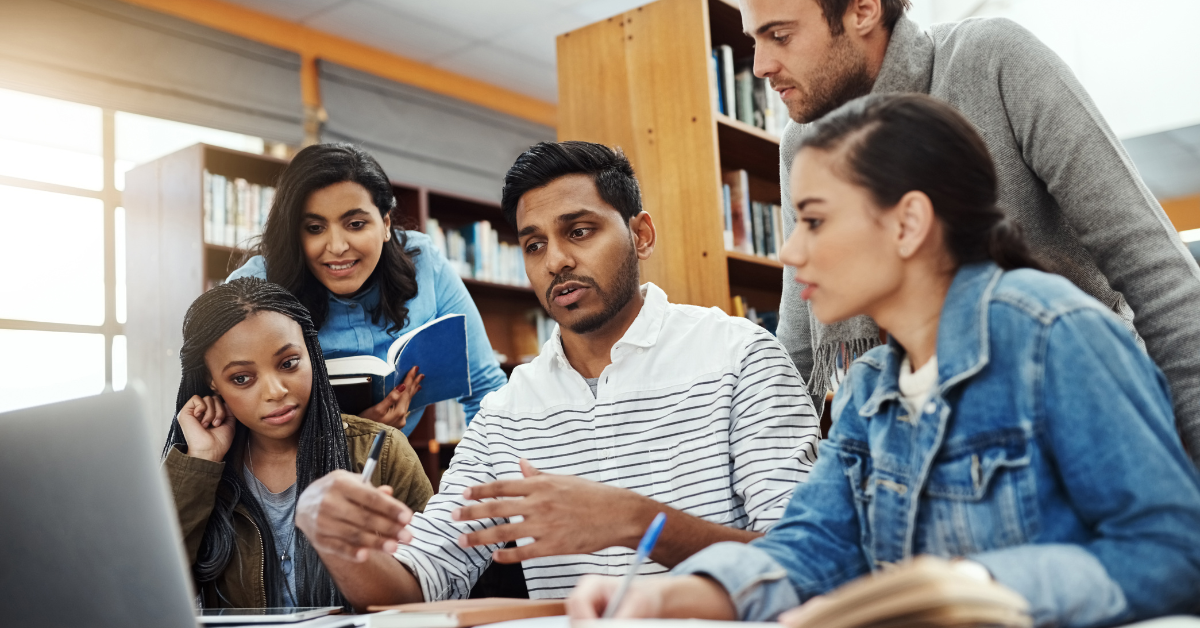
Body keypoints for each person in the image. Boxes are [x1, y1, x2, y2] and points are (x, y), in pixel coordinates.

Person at [568, 95, 1200, 626]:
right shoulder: (870, 388)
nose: (789, 252)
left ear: (908, 224)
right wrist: (667, 597)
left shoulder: (1056, 335)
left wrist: (978, 586)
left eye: (813, 221)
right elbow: (813, 544)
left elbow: (1174, 552)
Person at [289, 140, 822, 609]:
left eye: (580, 231)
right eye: (534, 244)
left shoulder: (739, 357)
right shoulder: (508, 412)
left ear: (641, 235)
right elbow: (414, 583)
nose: (556, 261)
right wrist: (331, 536)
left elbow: (812, 562)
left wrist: (636, 521)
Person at [745, 0, 1200, 463]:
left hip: (1079, 415)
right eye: (753, 40)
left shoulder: (993, 59)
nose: (762, 65)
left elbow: (1153, 271)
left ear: (862, 10)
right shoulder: (802, 143)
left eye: (780, 36)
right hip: (911, 448)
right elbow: (799, 345)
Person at [161, 277, 434, 608]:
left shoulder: (384, 451)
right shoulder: (202, 469)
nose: (275, 392)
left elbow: (431, 586)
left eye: (288, 363)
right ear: (212, 383)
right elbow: (150, 593)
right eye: (242, 378)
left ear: (311, 353)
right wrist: (202, 461)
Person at [226, 143, 507, 435]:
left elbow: (487, 389)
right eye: (314, 228)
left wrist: (482, 475)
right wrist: (356, 434)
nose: (337, 247)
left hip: (388, 471)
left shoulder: (423, 262)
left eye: (356, 224)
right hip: (289, 477)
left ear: (385, 223)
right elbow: (228, 414)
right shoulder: (255, 287)